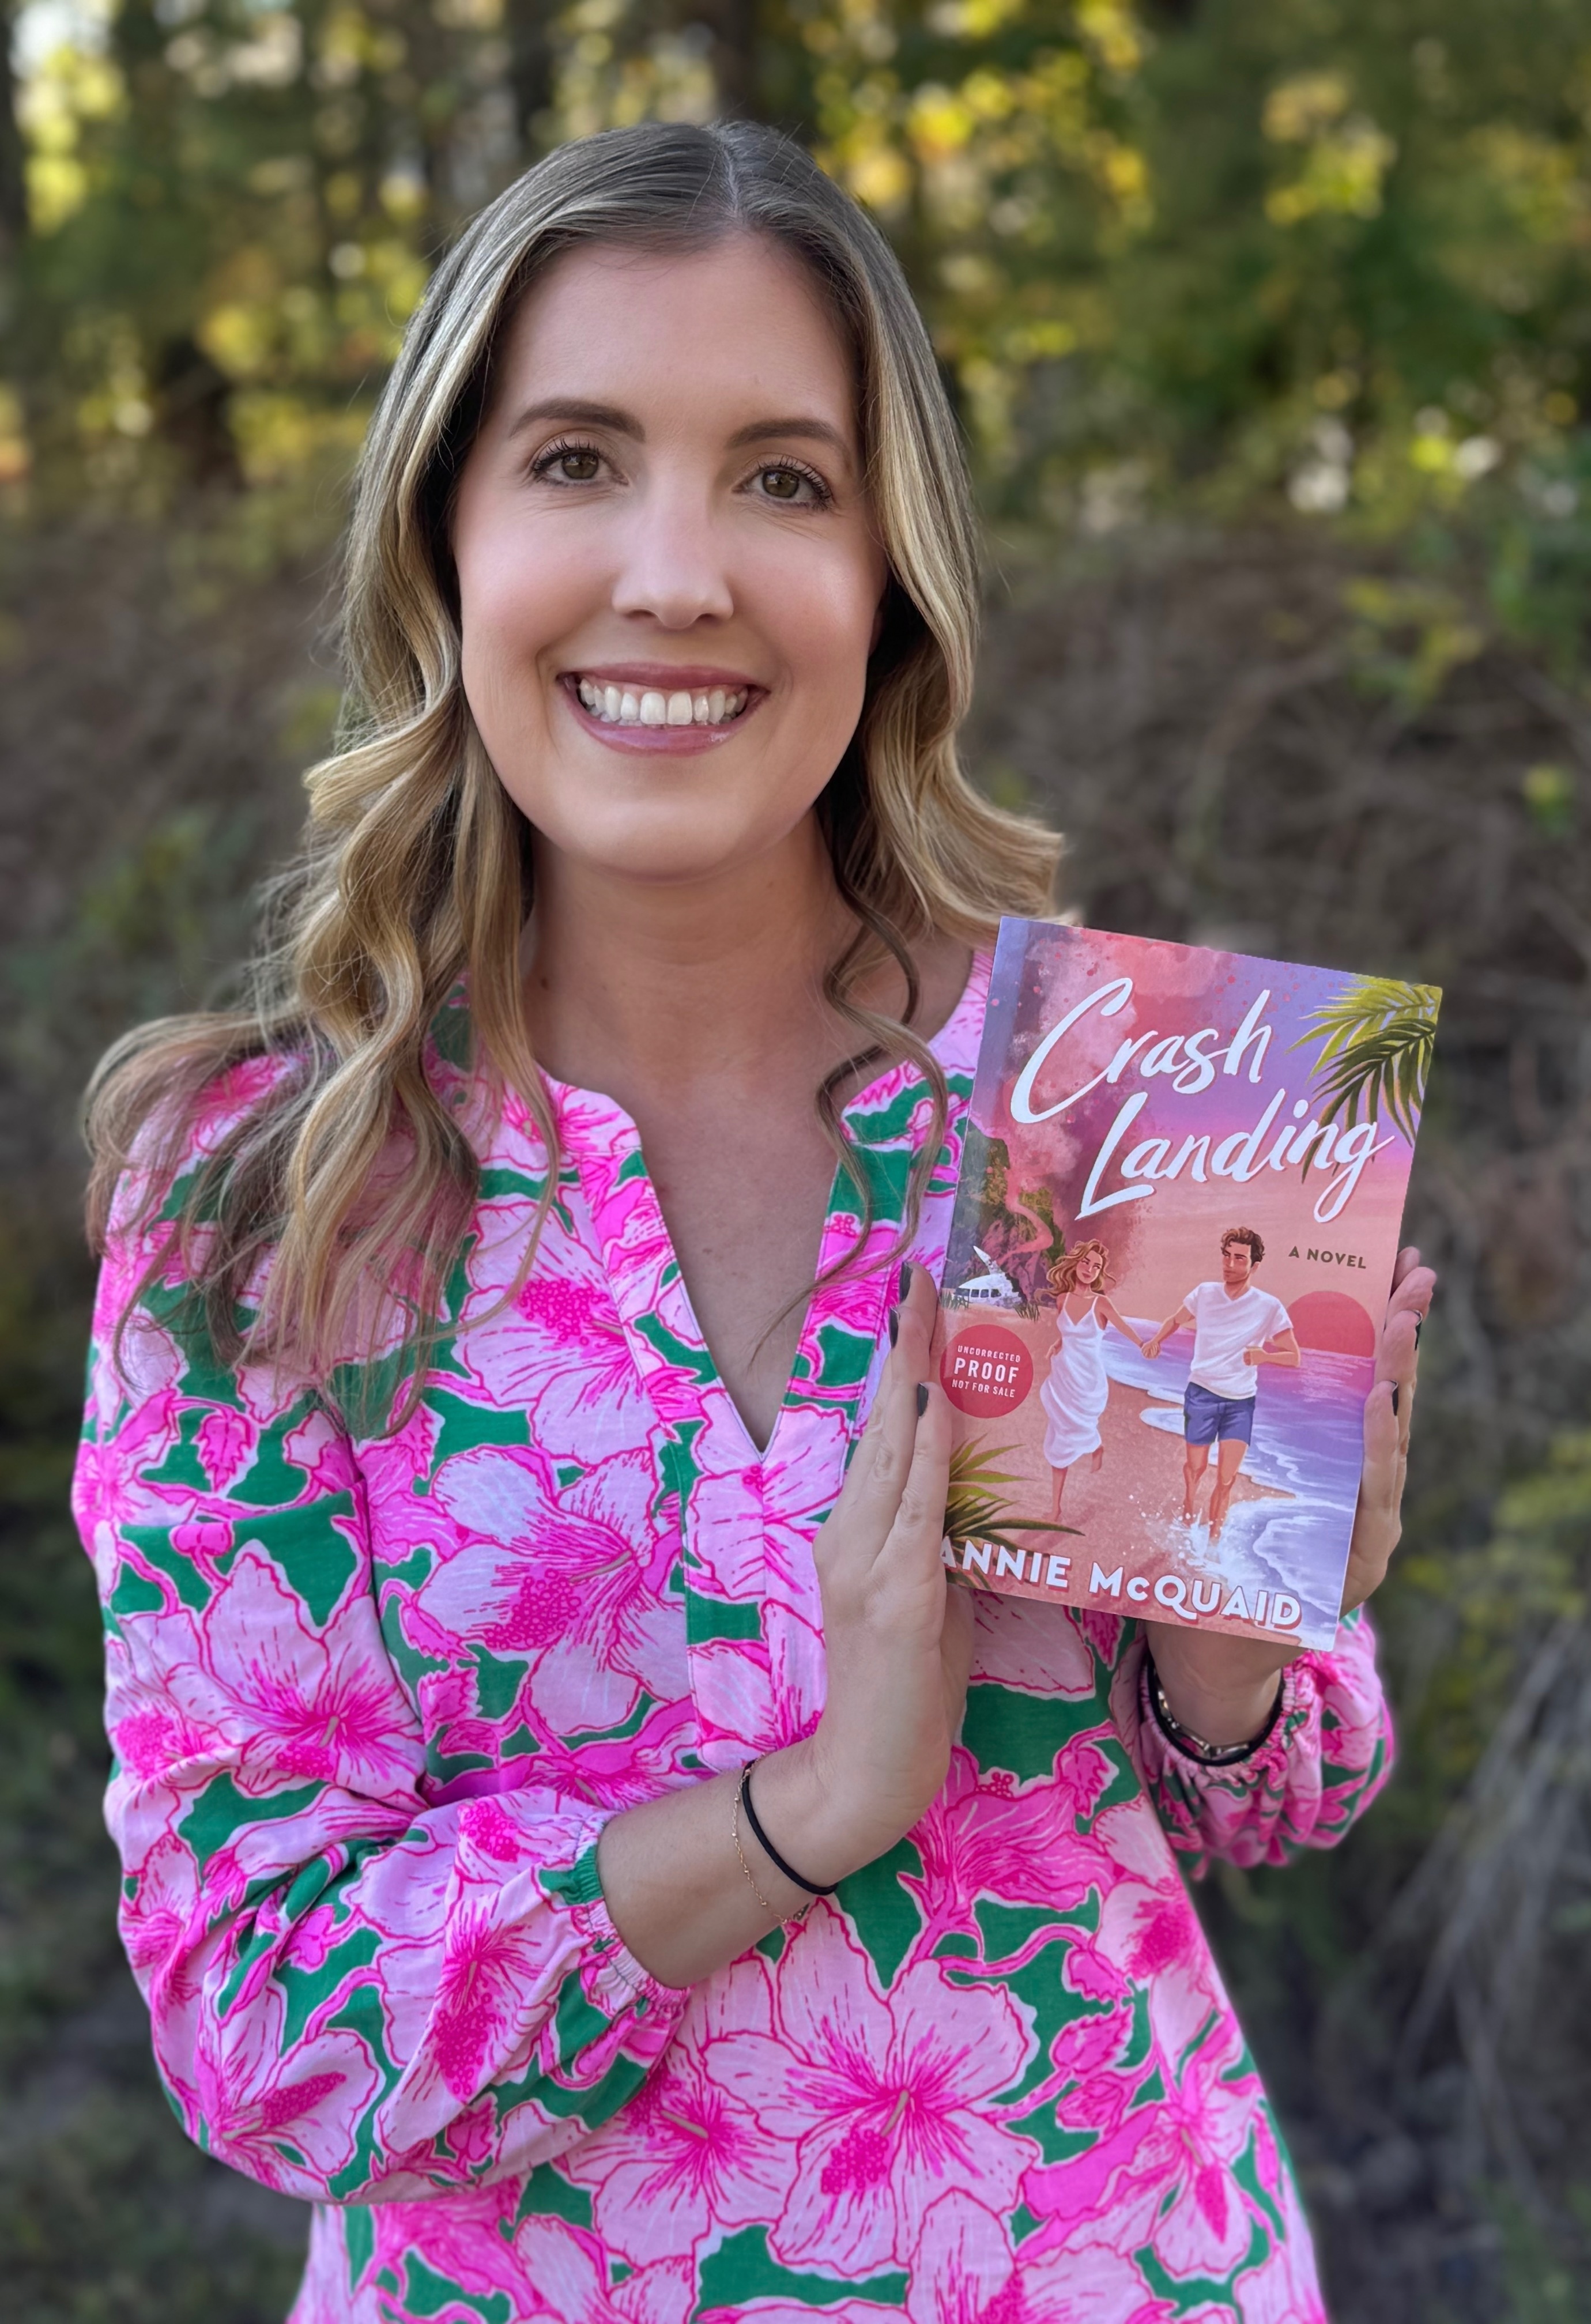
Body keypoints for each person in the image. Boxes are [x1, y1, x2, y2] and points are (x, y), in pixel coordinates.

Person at [74, 122, 1434, 2323]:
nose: (677, 569)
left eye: (783, 478)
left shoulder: (1107, 1089)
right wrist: (808, 1802)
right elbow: (261, 2019)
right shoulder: (256, 1198)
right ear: (445, 538)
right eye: (580, 458)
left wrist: (1243, 1627)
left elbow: (1266, 1795)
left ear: (892, 569)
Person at [1145, 1226, 1301, 1538]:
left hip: (1240, 1403)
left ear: (1255, 1266)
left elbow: (1293, 1356)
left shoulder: (1269, 1307)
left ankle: (1214, 1542)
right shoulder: (1204, 1293)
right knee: (1196, 1469)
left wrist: (1264, 1356)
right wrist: (1157, 1341)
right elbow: (1176, 1320)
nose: (1230, 1264)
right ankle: (1189, 1514)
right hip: (1201, 1394)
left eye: (1239, 1259)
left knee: (1227, 1480)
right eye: (1227, 1256)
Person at [1037, 1238, 1151, 1518]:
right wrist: (1057, 1344)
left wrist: (1142, 1344)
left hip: (1087, 1381)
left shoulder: (1101, 1303)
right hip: (1063, 1376)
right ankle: (1055, 1508)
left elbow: (1122, 1325)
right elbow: (1068, 1335)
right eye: (1086, 1262)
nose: (1089, 1269)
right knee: (1058, 1437)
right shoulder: (1063, 1299)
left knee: (1078, 1428)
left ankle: (1095, 1445)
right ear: (1076, 1263)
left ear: (1100, 1273)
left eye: (1096, 1266)